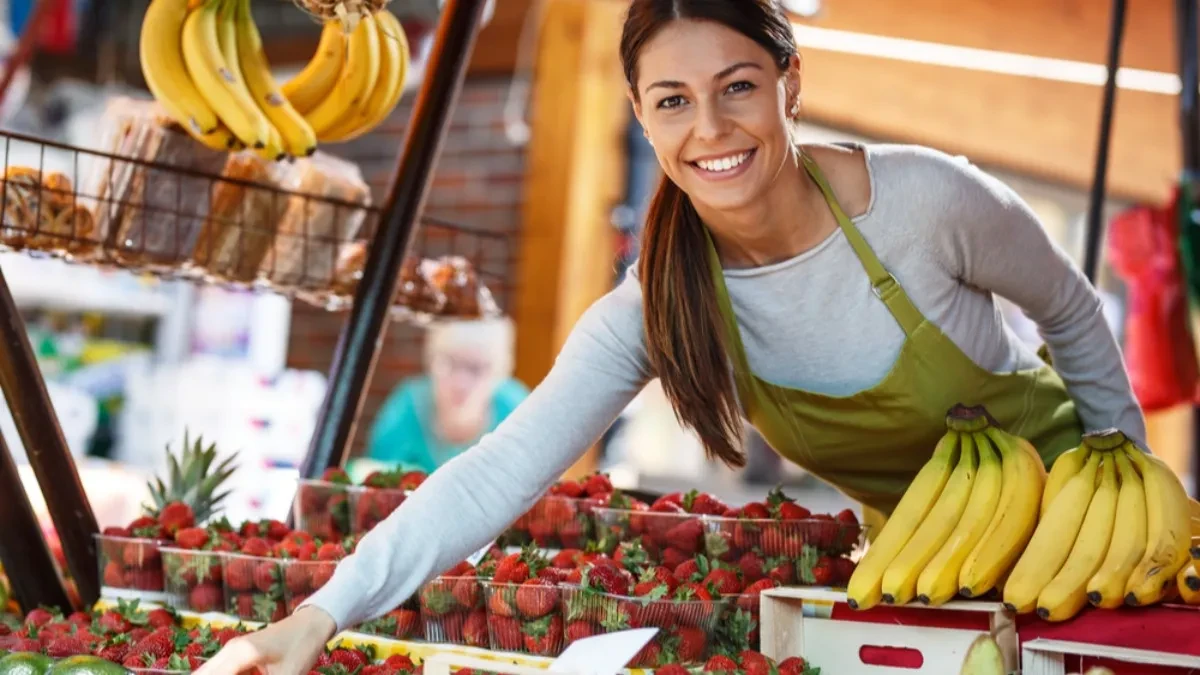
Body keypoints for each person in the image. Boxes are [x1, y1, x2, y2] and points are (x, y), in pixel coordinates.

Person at [198, 1, 1145, 670]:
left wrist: (1128, 489)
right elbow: (498, 470)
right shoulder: (660, 300)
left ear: (790, 84)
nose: (711, 128)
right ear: (642, 117)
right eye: (674, 100)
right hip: (928, 575)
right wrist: (318, 615)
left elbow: (1071, 309)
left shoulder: (926, 203)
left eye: (738, 86)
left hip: (1089, 541)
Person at [358, 317, 528, 475]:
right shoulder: (405, 407)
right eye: (449, 363)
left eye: (475, 368)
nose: (460, 383)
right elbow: (376, 477)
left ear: (498, 373)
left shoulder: (517, 411)